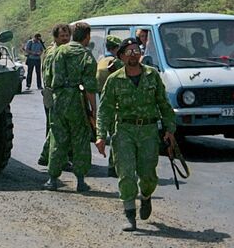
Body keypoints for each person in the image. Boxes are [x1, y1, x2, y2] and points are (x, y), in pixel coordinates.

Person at [95, 37, 177, 232]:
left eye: (137, 51)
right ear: (121, 56)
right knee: (126, 174)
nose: (134, 55)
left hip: (148, 131)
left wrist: (170, 130)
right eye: (129, 52)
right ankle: (129, 214)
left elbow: (164, 105)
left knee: (148, 175)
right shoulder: (114, 80)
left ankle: (146, 196)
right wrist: (100, 135)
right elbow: (105, 109)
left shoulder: (152, 75)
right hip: (123, 131)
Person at [43, 22, 97, 193]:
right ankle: (80, 181)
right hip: (76, 100)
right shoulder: (86, 55)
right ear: (86, 36)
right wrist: (93, 110)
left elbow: (47, 77)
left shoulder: (57, 51)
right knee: (80, 140)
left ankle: (52, 179)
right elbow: (90, 87)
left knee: (58, 138)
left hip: (58, 99)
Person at [38, 23, 71, 166]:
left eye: (67, 35)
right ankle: (54, 157)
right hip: (53, 93)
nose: (65, 38)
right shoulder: (52, 52)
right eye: (62, 36)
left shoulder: (65, 50)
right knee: (56, 127)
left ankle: (48, 155)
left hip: (61, 94)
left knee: (56, 127)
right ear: (56, 38)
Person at [96, 35, 123, 178]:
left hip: (106, 102)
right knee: (117, 135)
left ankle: (113, 166)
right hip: (116, 104)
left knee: (114, 134)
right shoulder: (116, 63)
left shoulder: (102, 61)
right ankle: (114, 166)